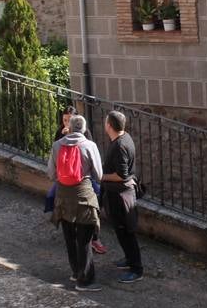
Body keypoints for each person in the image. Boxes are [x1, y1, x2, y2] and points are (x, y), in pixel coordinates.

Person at [47, 114, 105, 291]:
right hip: (84, 197)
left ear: (70, 128)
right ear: (84, 129)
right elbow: (99, 175)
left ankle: (75, 272)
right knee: (85, 239)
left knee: (70, 237)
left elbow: (51, 173)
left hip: (63, 198)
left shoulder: (57, 145)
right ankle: (85, 280)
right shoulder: (89, 145)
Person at [52, 105, 107, 255]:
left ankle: (94, 238)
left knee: (98, 196)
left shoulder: (85, 135)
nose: (67, 124)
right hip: (65, 178)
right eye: (65, 120)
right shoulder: (59, 135)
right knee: (51, 197)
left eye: (70, 120)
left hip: (84, 178)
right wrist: (62, 137)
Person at [101, 110, 141, 283]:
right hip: (118, 194)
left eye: (105, 122)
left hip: (120, 195)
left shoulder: (119, 146)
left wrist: (102, 177)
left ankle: (136, 269)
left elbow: (122, 175)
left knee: (126, 231)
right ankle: (129, 259)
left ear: (109, 125)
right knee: (120, 230)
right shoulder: (124, 138)